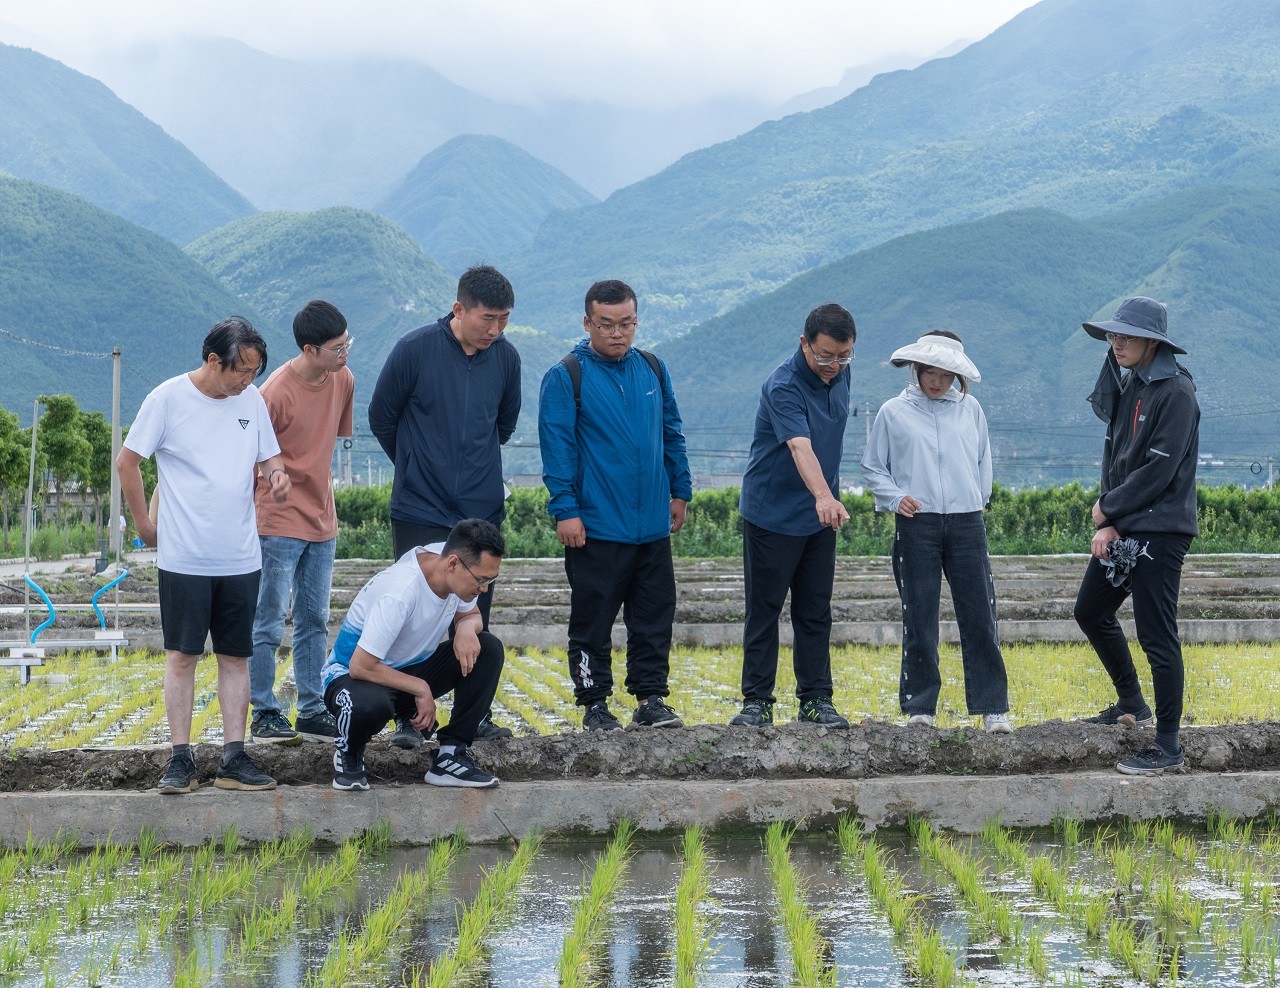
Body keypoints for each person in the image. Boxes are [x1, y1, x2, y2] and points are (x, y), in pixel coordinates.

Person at [116, 317, 290, 794]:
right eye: (241, 370)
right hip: (185, 557)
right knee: (182, 657)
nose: (248, 380)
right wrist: (144, 526)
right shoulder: (168, 398)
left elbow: (269, 456)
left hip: (240, 555)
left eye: (255, 371)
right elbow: (127, 462)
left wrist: (277, 475)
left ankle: (234, 758)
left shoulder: (250, 401)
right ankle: (180, 760)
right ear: (214, 361)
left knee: (236, 657)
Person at [368, 265, 521, 747]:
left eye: (504, 320)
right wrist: (416, 464)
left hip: (480, 512)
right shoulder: (415, 349)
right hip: (421, 507)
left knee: (474, 616)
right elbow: (381, 417)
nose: (495, 330)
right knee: (412, 617)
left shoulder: (506, 359)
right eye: (487, 318)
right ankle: (407, 720)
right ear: (459, 309)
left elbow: (503, 425)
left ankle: (472, 718)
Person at [539, 279, 694, 731]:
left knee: (653, 617)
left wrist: (680, 490)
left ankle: (650, 700)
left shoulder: (652, 368)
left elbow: (672, 432)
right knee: (593, 621)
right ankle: (595, 705)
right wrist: (564, 509)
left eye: (626, 323)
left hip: (651, 525)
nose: (617, 333)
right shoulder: (567, 375)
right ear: (588, 323)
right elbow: (558, 448)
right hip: (596, 525)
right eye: (606, 324)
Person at [861, 331, 1013, 733]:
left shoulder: (971, 409)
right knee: (920, 614)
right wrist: (896, 498)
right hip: (917, 524)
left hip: (967, 522)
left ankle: (993, 707)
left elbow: (983, 460)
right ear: (916, 369)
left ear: (956, 377)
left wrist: (976, 499)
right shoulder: (893, 412)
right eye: (929, 372)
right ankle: (920, 707)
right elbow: (873, 466)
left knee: (980, 614)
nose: (937, 382)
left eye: (946, 375)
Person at [1075, 297, 1199, 776]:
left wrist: (1108, 507)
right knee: (1091, 609)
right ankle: (1131, 701)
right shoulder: (1131, 385)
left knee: (1156, 632)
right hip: (1125, 524)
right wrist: (1107, 519)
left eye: (1126, 335)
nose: (1116, 342)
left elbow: (1160, 469)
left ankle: (1168, 745)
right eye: (1112, 335)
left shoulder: (1176, 391)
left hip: (1162, 529)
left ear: (1154, 342)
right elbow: (1115, 461)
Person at [731, 303, 856, 729]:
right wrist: (822, 494)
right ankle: (757, 701)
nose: (833, 366)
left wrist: (826, 499)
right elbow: (800, 445)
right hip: (774, 513)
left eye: (843, 357)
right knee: (765, 609)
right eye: (824, 356)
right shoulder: (783, 384)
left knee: (815, 610)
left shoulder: (841, 372)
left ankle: (816, 700)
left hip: (822, 514)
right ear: (804, 343)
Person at [321, 519, 507, 791]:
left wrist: (466, 627)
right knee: (369, 704)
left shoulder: (449, 563)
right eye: (481, 580)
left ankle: (450, 755)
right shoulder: (400, 593)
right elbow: (361, 666)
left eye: (491, 580)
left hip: (406, 671)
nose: (484, 589)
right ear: (453, 564)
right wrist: (421, 689)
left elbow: (472, 614)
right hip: (353, 678)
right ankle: (349, 752)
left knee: (488, 648)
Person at [247, 300, 355, 745]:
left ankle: (311, 709)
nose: (345, 353)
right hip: (278, 517)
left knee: (315, 617)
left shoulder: (343, 379)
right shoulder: (274, 393)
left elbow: (333, 442)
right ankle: (265, 710)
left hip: (321, 517)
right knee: (268, 618)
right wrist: (273, 482)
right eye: (336, 347)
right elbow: (250, 457)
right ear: (310, 349)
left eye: (347, 343)